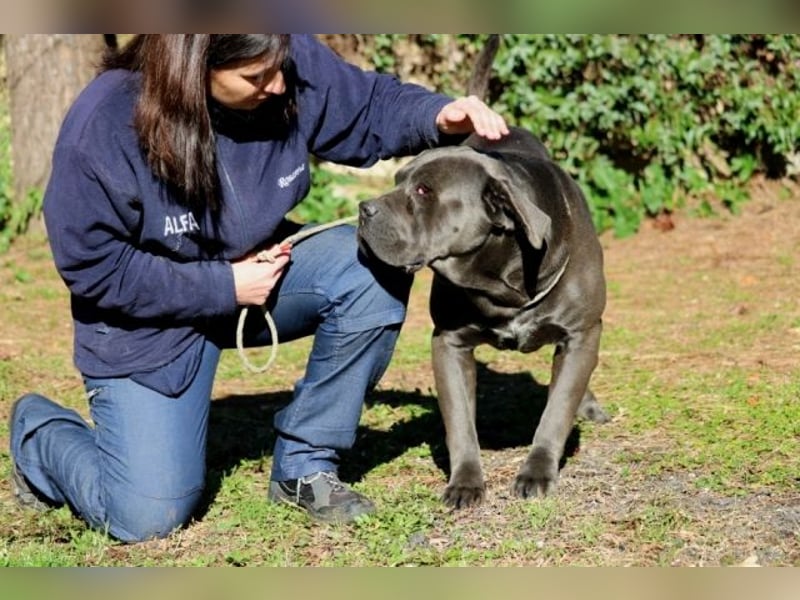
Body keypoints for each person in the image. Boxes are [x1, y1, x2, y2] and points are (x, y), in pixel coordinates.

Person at [8, 34, 509, 542]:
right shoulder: (105, 122)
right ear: (193, 64)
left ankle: (304, 465)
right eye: (254, 78)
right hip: (148, 321)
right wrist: (223, 286)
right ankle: (37, 431)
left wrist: (438, 115)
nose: (276, 86)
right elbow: (97, 269)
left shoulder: (280, 59)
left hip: (260, 274)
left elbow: (367, 106)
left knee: (372, 263)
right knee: (145, 516)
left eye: (279, 69)